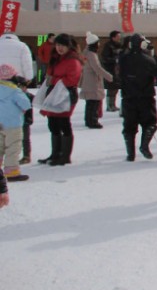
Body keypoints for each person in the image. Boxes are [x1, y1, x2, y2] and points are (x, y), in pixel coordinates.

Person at [38, 34, 83, 166]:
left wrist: (54, 80)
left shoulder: (73, 60)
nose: (59, 48)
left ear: (69, 46)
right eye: (57, 45)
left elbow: (72, 80)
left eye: (62, 45)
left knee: (63, 122)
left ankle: (65, 155)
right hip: (53, 93)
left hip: (66, 94)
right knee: (53, 124)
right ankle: (55, 153)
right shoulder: (55, 58)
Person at [119, 35, 157, 161]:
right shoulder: (149, 60)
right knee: (150, 123)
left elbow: (118, 74)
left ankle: (130, 153)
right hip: (145, 96)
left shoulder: (123, 59)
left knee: (129, 126)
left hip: (128, 97)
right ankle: (144, 145)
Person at [0, 64, 32, 182]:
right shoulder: (15, 91)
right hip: (13, 125)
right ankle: (11, 172)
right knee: (13, 147)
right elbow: (26, 104)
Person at [79, 32, 111, 129]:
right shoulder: (91, 54)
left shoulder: (86, 52)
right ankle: (93, 120)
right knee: (94, 102)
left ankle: (89, 120)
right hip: (93, 81)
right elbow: (97, 68)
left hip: (88, 80)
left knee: (90, 102)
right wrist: (108, 76)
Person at [101, 30, 123, 112]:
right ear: (113, 37)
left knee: (116, 88)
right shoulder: (108, 46)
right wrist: (115, 60)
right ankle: (109, 105)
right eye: (118, 37)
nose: (119, 38)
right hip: (111, 70)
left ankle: (113, 104)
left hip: (118, 71)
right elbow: (105, 58)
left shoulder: (120, 45)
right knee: (111, 88)